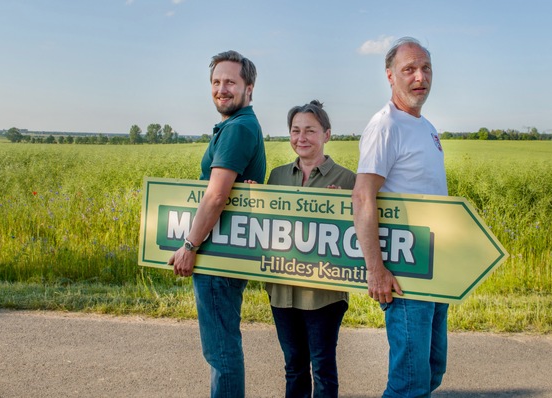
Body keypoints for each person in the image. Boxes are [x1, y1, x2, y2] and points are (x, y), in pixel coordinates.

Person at [351, 37, 449, 397]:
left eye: (425, 68)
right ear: (390, 76)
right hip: (405, 272)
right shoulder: (385, 125)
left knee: (432, 369)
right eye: (409, 69)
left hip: (432, 267)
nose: (419, 76)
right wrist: (375, 269)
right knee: (410, 379)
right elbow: (363, 197)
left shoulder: (426, 126)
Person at [167, 50, 266, 398]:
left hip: (215, 253)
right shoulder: (236, 124)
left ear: (249, 88)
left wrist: (189, 246)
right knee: (221, 348)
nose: (221, 89)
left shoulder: (238, 128)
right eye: (216, 82)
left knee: (220, 351)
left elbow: (215, 196)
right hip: (223, 250)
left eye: (230, 82)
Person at [266, 100, 355, 397]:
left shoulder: (347, 180)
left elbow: (360, 232)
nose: (301, 138)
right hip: (282, 290)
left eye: (310, 131)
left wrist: (342, 208)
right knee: (293, 366)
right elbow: (263, 224)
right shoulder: (276, 177)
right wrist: (248, 197)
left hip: (324, 295)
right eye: (295, 131)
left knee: (323, 367)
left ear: (327, 135)